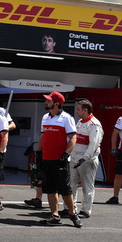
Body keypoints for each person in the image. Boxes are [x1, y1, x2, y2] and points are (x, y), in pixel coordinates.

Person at [37, 92, 82, 228]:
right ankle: (55, 215)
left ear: (56, 103)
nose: (46, 102)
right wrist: (38, 154)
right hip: (47, 159)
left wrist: (66, 154)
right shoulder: (45, 117)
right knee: (50, 189)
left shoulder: (66, 118)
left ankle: (73, 214)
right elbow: (43, 137)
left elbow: (73, 138)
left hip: (60, 160)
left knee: (65, 190)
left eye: (49, 101)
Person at [68, 99, 103, 219]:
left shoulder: (94, 124)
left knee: (87, 186)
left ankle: (86, 210)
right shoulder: (79, 122)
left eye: (78, 109)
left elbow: (93, 144)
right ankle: (70, 209)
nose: (76, 111)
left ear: (85, 110)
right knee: (71, 185)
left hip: (86, 161)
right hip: (74, 159)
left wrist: (84, 158)